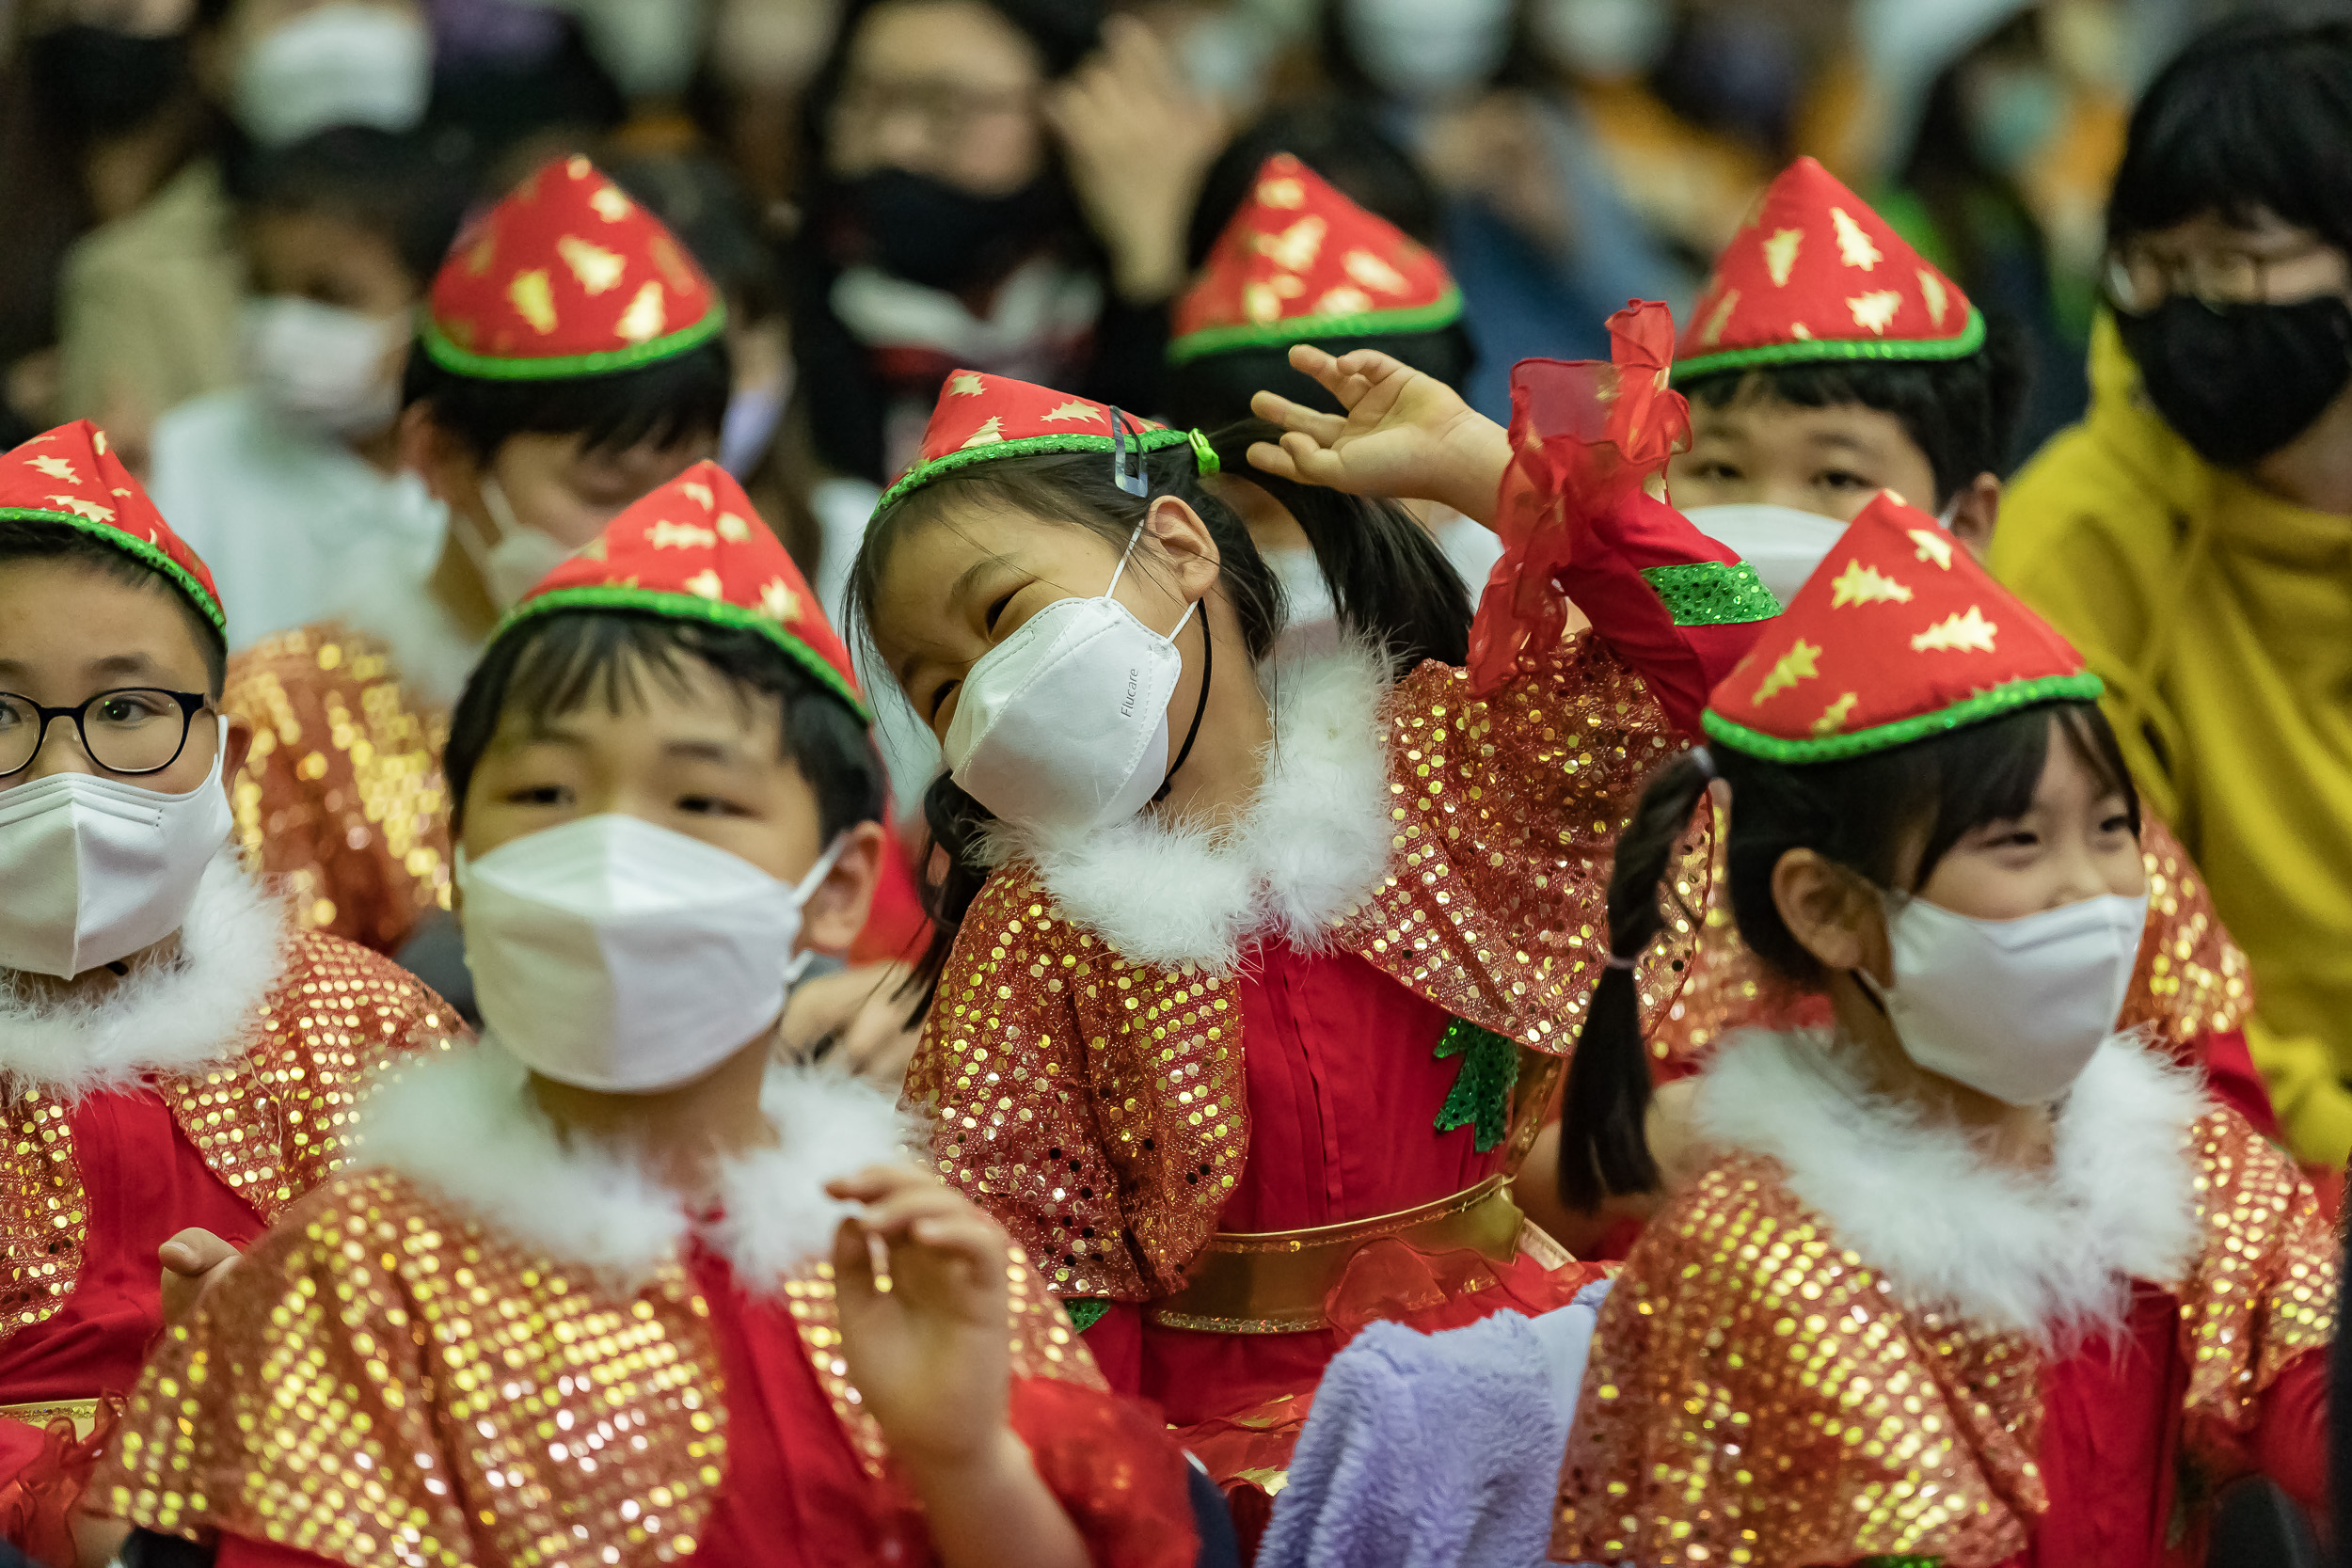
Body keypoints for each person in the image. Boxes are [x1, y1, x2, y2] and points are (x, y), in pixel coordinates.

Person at [92, 462, 1200, 1568]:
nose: (613, 856)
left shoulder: (917, 1254)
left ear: (838, 887)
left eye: (701, 802)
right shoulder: (352, 1277)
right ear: (465, 869)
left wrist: (961, 1457)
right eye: (546, 796)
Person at [846, 321, 1777, 1530]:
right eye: (938, 686)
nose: (987, 689)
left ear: (1176, 545)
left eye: (1005, 612)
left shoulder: (1441, 767)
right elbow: (1034, 1287)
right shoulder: (1033, 933)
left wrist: (1481, 469)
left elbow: (1743, 656)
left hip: (1528, 1384)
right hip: (1227, 1474)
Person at [1549, 490, 2336, 1566]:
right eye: (2017, 841)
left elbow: (2311, 1409)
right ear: (1826, 907)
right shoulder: (1753, 1259)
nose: (2092, 890)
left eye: (2112, 831)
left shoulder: (2196, 1167)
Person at [1639, 154, 2274, 1159]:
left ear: (1965, 522)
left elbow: (2220, 1115)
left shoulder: (2043, 793)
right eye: (1718, 468)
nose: (1765, 516)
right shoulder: (1576, 760)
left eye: (1835, 473)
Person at [0, 420, 455, 1567]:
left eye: (126, 712)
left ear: (225, 753)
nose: (66, 777)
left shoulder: (368, 1027)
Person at [1990, 17, 2352, 1173]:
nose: (2189, 303)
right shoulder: (2083, 530)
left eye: (2236, 255)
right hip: (2240, 1160)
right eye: (2154, 261)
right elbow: (2127, 953)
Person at [220, 154, 732, 959]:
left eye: (690, 491)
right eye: (606, 489)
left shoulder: (746, 687)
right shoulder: (284, 724)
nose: (656, 536)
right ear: (442, 457)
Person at [786, 0, 1225, 492]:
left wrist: (1150, 267)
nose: (896, 143)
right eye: (865, 101)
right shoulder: (796, 290)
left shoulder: (1114, 298)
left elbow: (1148, 488)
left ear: (1076, 110)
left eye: (948, 109)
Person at [149, 127, 469, 649]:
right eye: (262, 289)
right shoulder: (185, 457)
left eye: (330, 296)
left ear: (432, 300)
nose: (285, 324)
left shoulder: (478, 478)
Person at [1167, 151, 1497, 656]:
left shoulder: (1539, 577)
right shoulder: (1195, 630)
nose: (1324, 544)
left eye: (1393, 487)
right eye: (1269, 510)